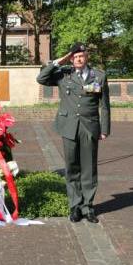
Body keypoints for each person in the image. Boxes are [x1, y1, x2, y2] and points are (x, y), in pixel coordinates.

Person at [37, 42, 110, 223]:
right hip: (69, 127)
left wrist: (105, 129)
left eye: (82, 56)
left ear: (87, 57)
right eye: (75, 56)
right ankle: (75, 207)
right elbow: (41, 78)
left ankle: (88, 207)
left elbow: (105, 106)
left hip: (90, 128)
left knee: (89, 169)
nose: (79, 59)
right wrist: (60, 60)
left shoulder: (99, 76)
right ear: (71, 58)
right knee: (72, 168)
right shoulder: (63, 74)